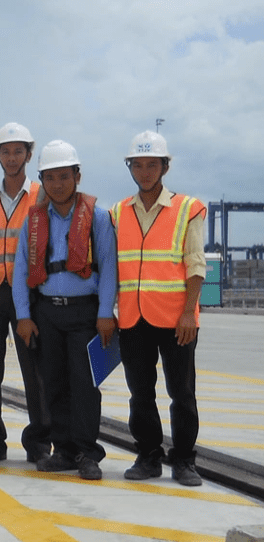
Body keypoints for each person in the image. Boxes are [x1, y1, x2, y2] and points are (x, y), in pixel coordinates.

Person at [12, 141, 117, 480]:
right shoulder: (33, 222)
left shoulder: (98, 217)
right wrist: (24, 316)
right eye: (50, 177)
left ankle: (88, 452)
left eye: (64, 176)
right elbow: (20, 273)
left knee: (85, 384)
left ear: (77, 176)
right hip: (46, 314)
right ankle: (63, 450)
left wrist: (105, 313)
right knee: (53, 383)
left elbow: (108, 267)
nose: (57, 184)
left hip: (86, 314)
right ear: (42, 179)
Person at [111, 131, 206, 486]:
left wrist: (188, 313)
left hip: (175, 318)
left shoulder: (186, 208)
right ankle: (148, 456)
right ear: (130, 168)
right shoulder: (118, 213)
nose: (145, 171)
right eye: (139, 164)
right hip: (134, 318)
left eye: (153, 164)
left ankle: (184, 460)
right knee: (141, 393)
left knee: (182, 393)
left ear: (165, 167)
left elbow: (196, 265)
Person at [0, 123, 51, 464]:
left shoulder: (43, 196)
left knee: (35, 370)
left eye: (19, 151)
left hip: (28, 296)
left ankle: (39, 443)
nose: (12, 157)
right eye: (5, 151)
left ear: (29, 155)